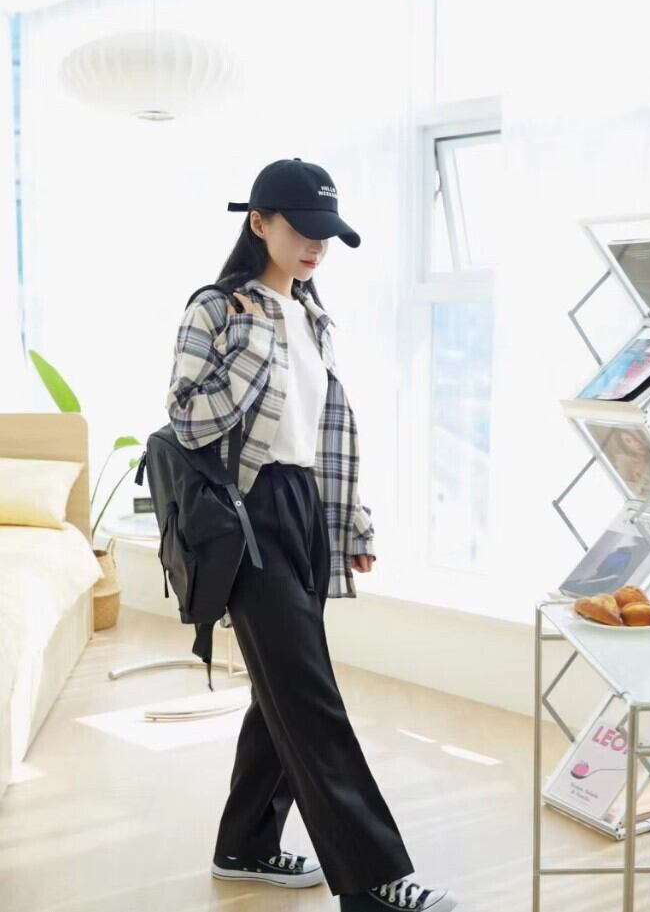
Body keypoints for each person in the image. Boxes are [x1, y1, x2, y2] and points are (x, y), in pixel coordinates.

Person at [165, 158, 459, 912]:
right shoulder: (216, 309)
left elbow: (324, 430)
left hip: (304, 507)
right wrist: (254, 346)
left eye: (326, 234)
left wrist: (351, 518)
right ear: (259, 222)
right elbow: (187, 419)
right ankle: (371, 880)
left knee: (285, 689)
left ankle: (245, 843)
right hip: (244, 515)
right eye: (302, 230)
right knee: (309, 695)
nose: (316, 246)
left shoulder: (314, 316)